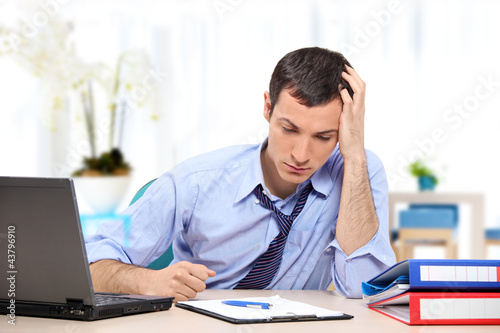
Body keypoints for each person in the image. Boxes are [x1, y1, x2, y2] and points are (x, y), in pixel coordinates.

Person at [86, 47, 396, 302]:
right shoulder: (196, 182)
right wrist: (148, 281)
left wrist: (354, 156)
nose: (301, 155)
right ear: (267, 107)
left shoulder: (356, 171)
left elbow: (364, 288)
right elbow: (87, 265)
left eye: (323, 137)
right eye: (289, 129)